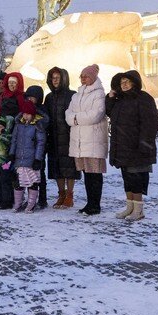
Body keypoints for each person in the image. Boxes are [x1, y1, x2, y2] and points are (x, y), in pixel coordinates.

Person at [106, 70, 158, 221]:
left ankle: (139, 209)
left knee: (136, 179)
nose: (124, 85)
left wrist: (144, 143)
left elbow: (150, 123)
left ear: (134, 83)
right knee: (127, 178)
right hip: (122, 147)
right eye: (121, 82)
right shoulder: (120, 100)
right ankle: (130, 207)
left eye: (127, 82)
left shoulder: (143, 98)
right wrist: (110, 98)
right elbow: (110, 113)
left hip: (136, 147)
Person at [65, 64, 107, 215]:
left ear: (93, 78)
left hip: (93, 140)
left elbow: (96, 114)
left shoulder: (99, 94)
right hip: (81, 141)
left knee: (95, 174)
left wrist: (76, 118)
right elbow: (68, 114)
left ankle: (95, 205)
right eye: (81, 76)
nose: (83, 78)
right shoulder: (77, 95)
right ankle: (90, 203)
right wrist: (75, 118)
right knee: (87, 174)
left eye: (86, 76)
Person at [44, 67, 79, 208]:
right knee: (57, 167)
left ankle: (70, 195)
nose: (55, 80)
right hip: (53, 137)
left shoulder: (72, 95)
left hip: (69, 137)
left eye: (58, 77)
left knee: (69, 168)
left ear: (64, 78)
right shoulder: (49, 97)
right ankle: (61, 194)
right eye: (53, 78)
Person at [8, 99, 46, 213]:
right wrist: (11, 153)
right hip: (19, 159)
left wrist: (38, 159)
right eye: (24, 113)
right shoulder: (18, 125)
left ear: (33, 114)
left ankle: (31, 204)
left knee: (32, 183)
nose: (26, 116)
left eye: (28, 114)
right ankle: (18, 203)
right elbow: (14, 140)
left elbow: (40, 143)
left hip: (31, 160)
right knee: (18, 182)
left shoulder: (37, 126)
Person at [24, 85, 50, 209]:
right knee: (28, 175)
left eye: (33, 98)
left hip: (39, 148)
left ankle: (42, 199)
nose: (30, 100)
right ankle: (30, 199)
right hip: (27, 147)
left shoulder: (42, 110)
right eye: (28, 97)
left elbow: (45, 122)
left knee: (40, 174)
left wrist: (35, 110)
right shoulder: (25, 110)